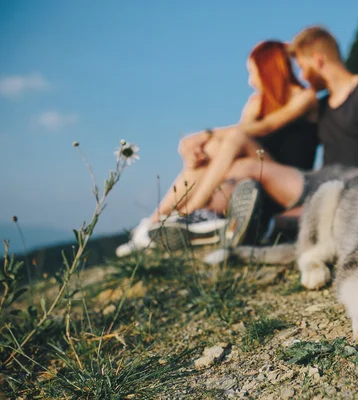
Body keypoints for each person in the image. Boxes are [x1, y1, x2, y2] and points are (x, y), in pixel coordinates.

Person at [199, 25, 358, 247]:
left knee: (256, 181)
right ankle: (198, 223)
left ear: (318, 60)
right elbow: (274, 122)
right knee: (236, 180)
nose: (301, 75)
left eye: (302, 66)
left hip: (354, 180)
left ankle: (259, 230)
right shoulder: (320, 106)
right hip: (320, 182)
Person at [116, 40, 320, 257]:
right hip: (252, 170)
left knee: (232, 138)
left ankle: (189, 211)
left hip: (284, 177)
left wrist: (205, 134)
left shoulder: (305, 98)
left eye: (254, 73)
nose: (251, 81)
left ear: (268, 70)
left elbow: (262, 127)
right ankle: (154, 221)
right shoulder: (256, 102)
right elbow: (241, 133)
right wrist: (204, 144)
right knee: (212, 148)